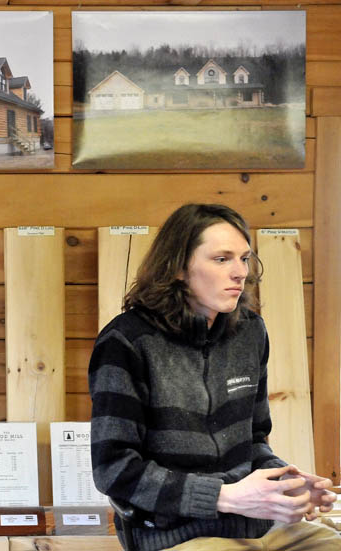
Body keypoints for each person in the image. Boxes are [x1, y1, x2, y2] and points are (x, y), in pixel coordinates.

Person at [89, 204, 339, 551]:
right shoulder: (126, 342)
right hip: (176, 535)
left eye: (244, 259)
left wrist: (286, 484)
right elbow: (114, 470)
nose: (240, 273)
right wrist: (225, 496)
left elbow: (253, 441)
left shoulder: (250, 332)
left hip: (260, 527)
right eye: (222, 259)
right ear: (177, 268)